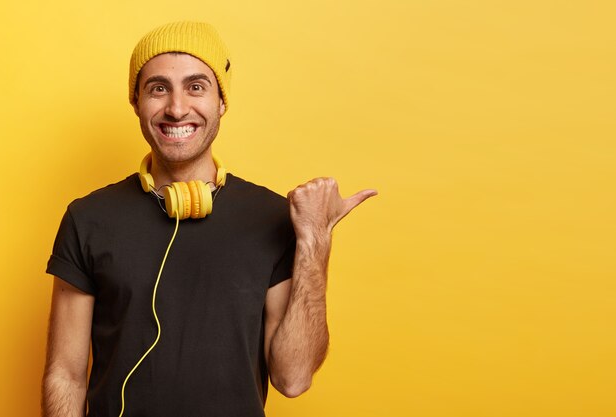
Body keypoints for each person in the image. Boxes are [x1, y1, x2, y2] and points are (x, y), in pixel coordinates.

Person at [42, 21, 376, 417]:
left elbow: (293, 379)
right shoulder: (88, 219)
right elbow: (65, 374)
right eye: (158, 88)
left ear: (221, 102)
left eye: (196, 86)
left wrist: (315, 240)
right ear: (136, 102)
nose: (177, 107)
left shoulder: (272, 217)